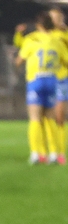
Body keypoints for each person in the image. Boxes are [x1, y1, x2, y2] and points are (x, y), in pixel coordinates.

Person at [16, 9, 68, 164]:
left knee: (36, 118)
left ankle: (37, 153)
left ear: (38, 25)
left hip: (37, 80)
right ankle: (54, 153)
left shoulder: (33, 39)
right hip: (53, 80)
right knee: (53, 118)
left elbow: (19, 59)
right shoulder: (57, 40)